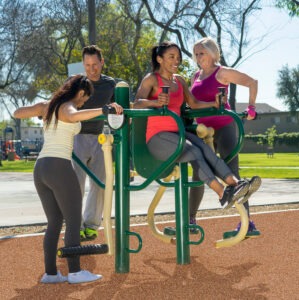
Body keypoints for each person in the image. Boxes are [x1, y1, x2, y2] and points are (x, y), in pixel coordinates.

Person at [13, 75, 123, 284]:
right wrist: (103, 109)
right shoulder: (67, 106)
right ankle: (74, 272)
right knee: (73, 220)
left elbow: (17, 113)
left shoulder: (48, 105)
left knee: (54, 221)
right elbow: (72, 115)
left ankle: (51, 273)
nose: (83, 103)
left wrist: (39, 112)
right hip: (59, 167)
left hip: (41, 168)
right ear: (81, 93)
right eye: (84, 99)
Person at [133, 41, 260, 209]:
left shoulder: (179, 81)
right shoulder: (151, 79)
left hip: (178, 133)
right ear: (160, 59)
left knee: (204, 148)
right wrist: (155, 102)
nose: (176, 61)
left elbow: (193, 103)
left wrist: (213, 104)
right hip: (158, 137)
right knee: (193, 151)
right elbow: (136, 104)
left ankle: (236, 184)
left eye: (178, 58)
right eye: (171, 57)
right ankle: (223, 194)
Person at [189, 37, 261, 238]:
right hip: (203, 131)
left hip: (224, 127)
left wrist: (252, 107)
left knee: (232, 174)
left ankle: (247, 223)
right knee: (199, 173)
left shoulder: (222, 72)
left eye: (201, 53)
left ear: (212, 53)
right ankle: (190, 220)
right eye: (195, 54)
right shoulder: (196, 75)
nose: (198, 57)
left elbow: (252, 82)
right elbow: (193, 101)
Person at [73, 45, 116, 242]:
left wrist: (117, 106)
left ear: (102, 62)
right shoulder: (75, 83)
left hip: (100, 138)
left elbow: (120, 107)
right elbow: (61, 103)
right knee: (76, 186)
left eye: (95, 64)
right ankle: (75, 226)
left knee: (100, 184)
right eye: (87, 65)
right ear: (83, 65)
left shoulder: (110, 84)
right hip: (78, 137)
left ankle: (91, 226)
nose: (91, 69)